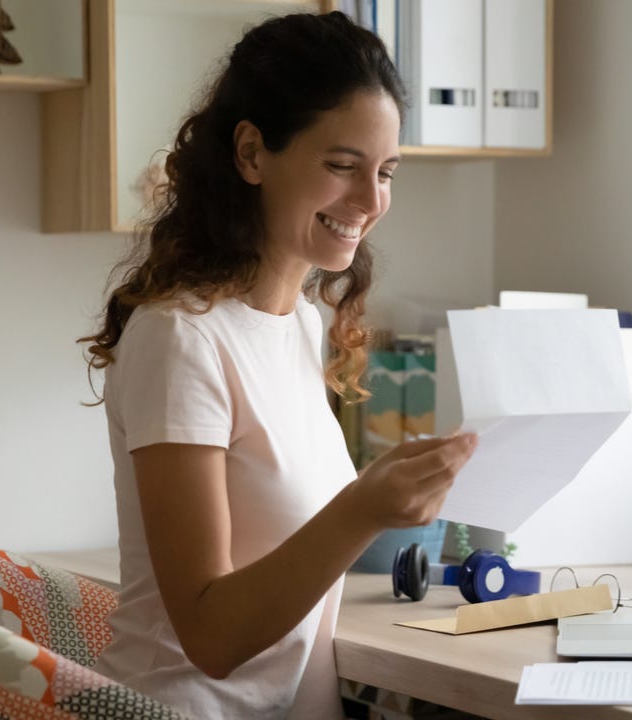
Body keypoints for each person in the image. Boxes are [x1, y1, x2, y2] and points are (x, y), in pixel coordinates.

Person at [77, 11, 478, 720]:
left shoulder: (299, 324)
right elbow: (209, 634)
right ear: (253, 153)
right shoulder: (179, 339)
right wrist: (365, 509)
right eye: (342, 166)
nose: (371, 201)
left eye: (386, 172)